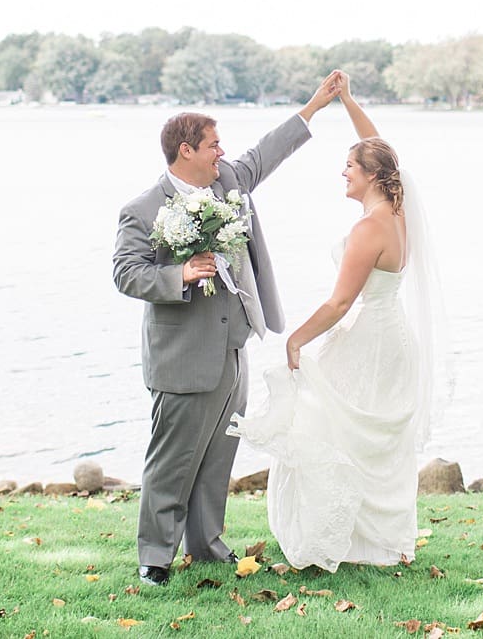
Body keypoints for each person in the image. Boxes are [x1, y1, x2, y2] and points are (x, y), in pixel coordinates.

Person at [112, 72, 341, 586]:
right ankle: (155, 557)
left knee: (218, 457)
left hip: (234, 348)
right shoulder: (143, 209)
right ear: (186, 150)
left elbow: (266, 153)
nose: (223, 152)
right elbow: (126, 273)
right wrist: (180, 274)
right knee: (171, 462)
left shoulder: (228, 182)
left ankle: (208, 544)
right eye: (214, 144)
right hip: (183, 356)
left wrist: (313, 106)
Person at [229, 74, 447, 571]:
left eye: (348, 166)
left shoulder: (371, 227)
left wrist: (296, 341)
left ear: (370, 175)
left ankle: (338, 544)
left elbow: (339, 303)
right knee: (367, 440)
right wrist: (345, 101)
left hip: (369, 339)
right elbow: (380, 147)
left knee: (333, 432)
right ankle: (373, 544)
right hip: (392, 338)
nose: (342, 173)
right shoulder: (398, 208)